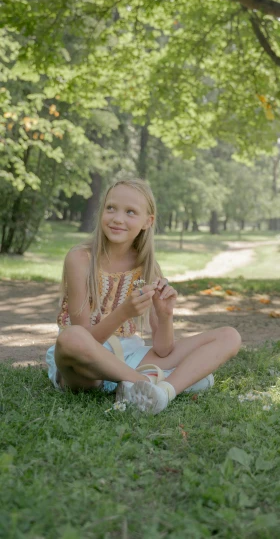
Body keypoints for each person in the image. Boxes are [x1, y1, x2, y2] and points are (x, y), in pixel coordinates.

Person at [46, 177, 241, 414]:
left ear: (147, 222)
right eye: (111, 208)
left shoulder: (148, 267)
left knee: (229, 336)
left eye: (130, 212)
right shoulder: (80, 259)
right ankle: (151, 382)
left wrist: (165, 314)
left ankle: (164, 391)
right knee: (71, 338)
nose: (118, 218)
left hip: (129, 356)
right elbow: (86, 338)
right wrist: (123, 314)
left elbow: (163, 349)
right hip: (87, 366)